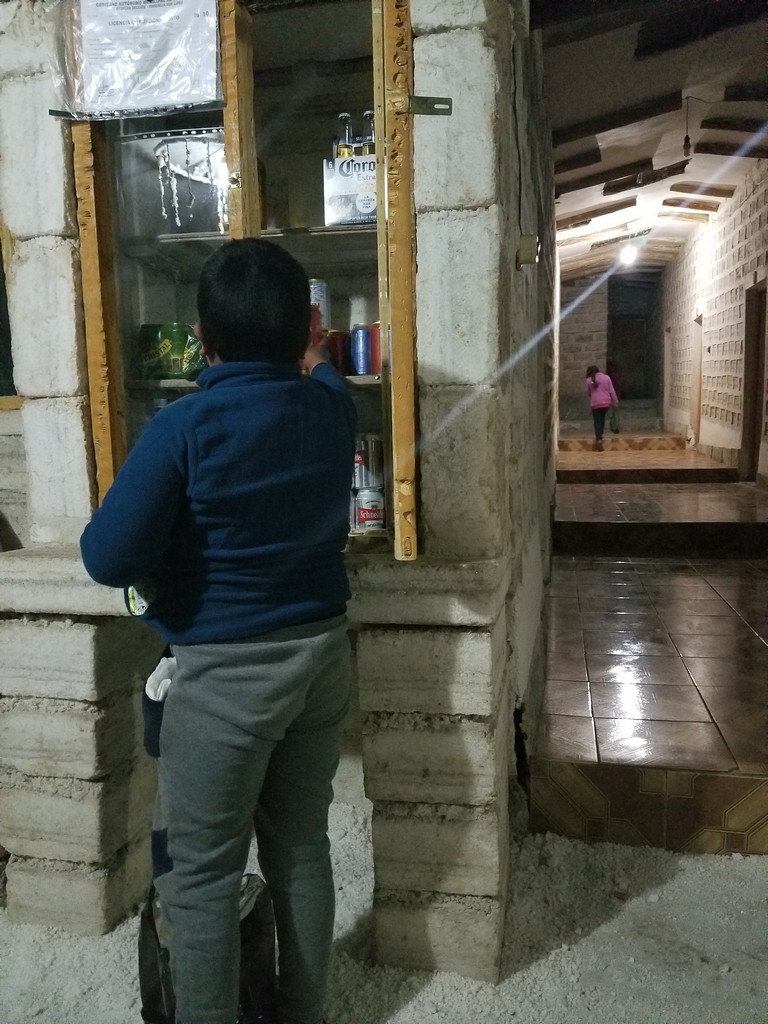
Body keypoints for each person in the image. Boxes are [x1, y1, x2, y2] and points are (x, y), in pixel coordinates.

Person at [80, 238, 356, 1024]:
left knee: (195, 878)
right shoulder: (332, 407)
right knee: (302, 846)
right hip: (322, 659)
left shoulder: (184, 428)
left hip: (223, 679)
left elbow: (107, 557)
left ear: (203, 338)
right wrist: (320, 352)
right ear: (307, 325)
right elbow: (329, 371)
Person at [585, 363, 618, 450]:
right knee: (602, 419)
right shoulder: (606, 377)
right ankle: (601, 435)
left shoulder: (588, 380)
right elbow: (611, 391)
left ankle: (599, 438)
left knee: (597, 421)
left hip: (595, 404)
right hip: (606, 403)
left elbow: (588, 393)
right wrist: (615, 401)